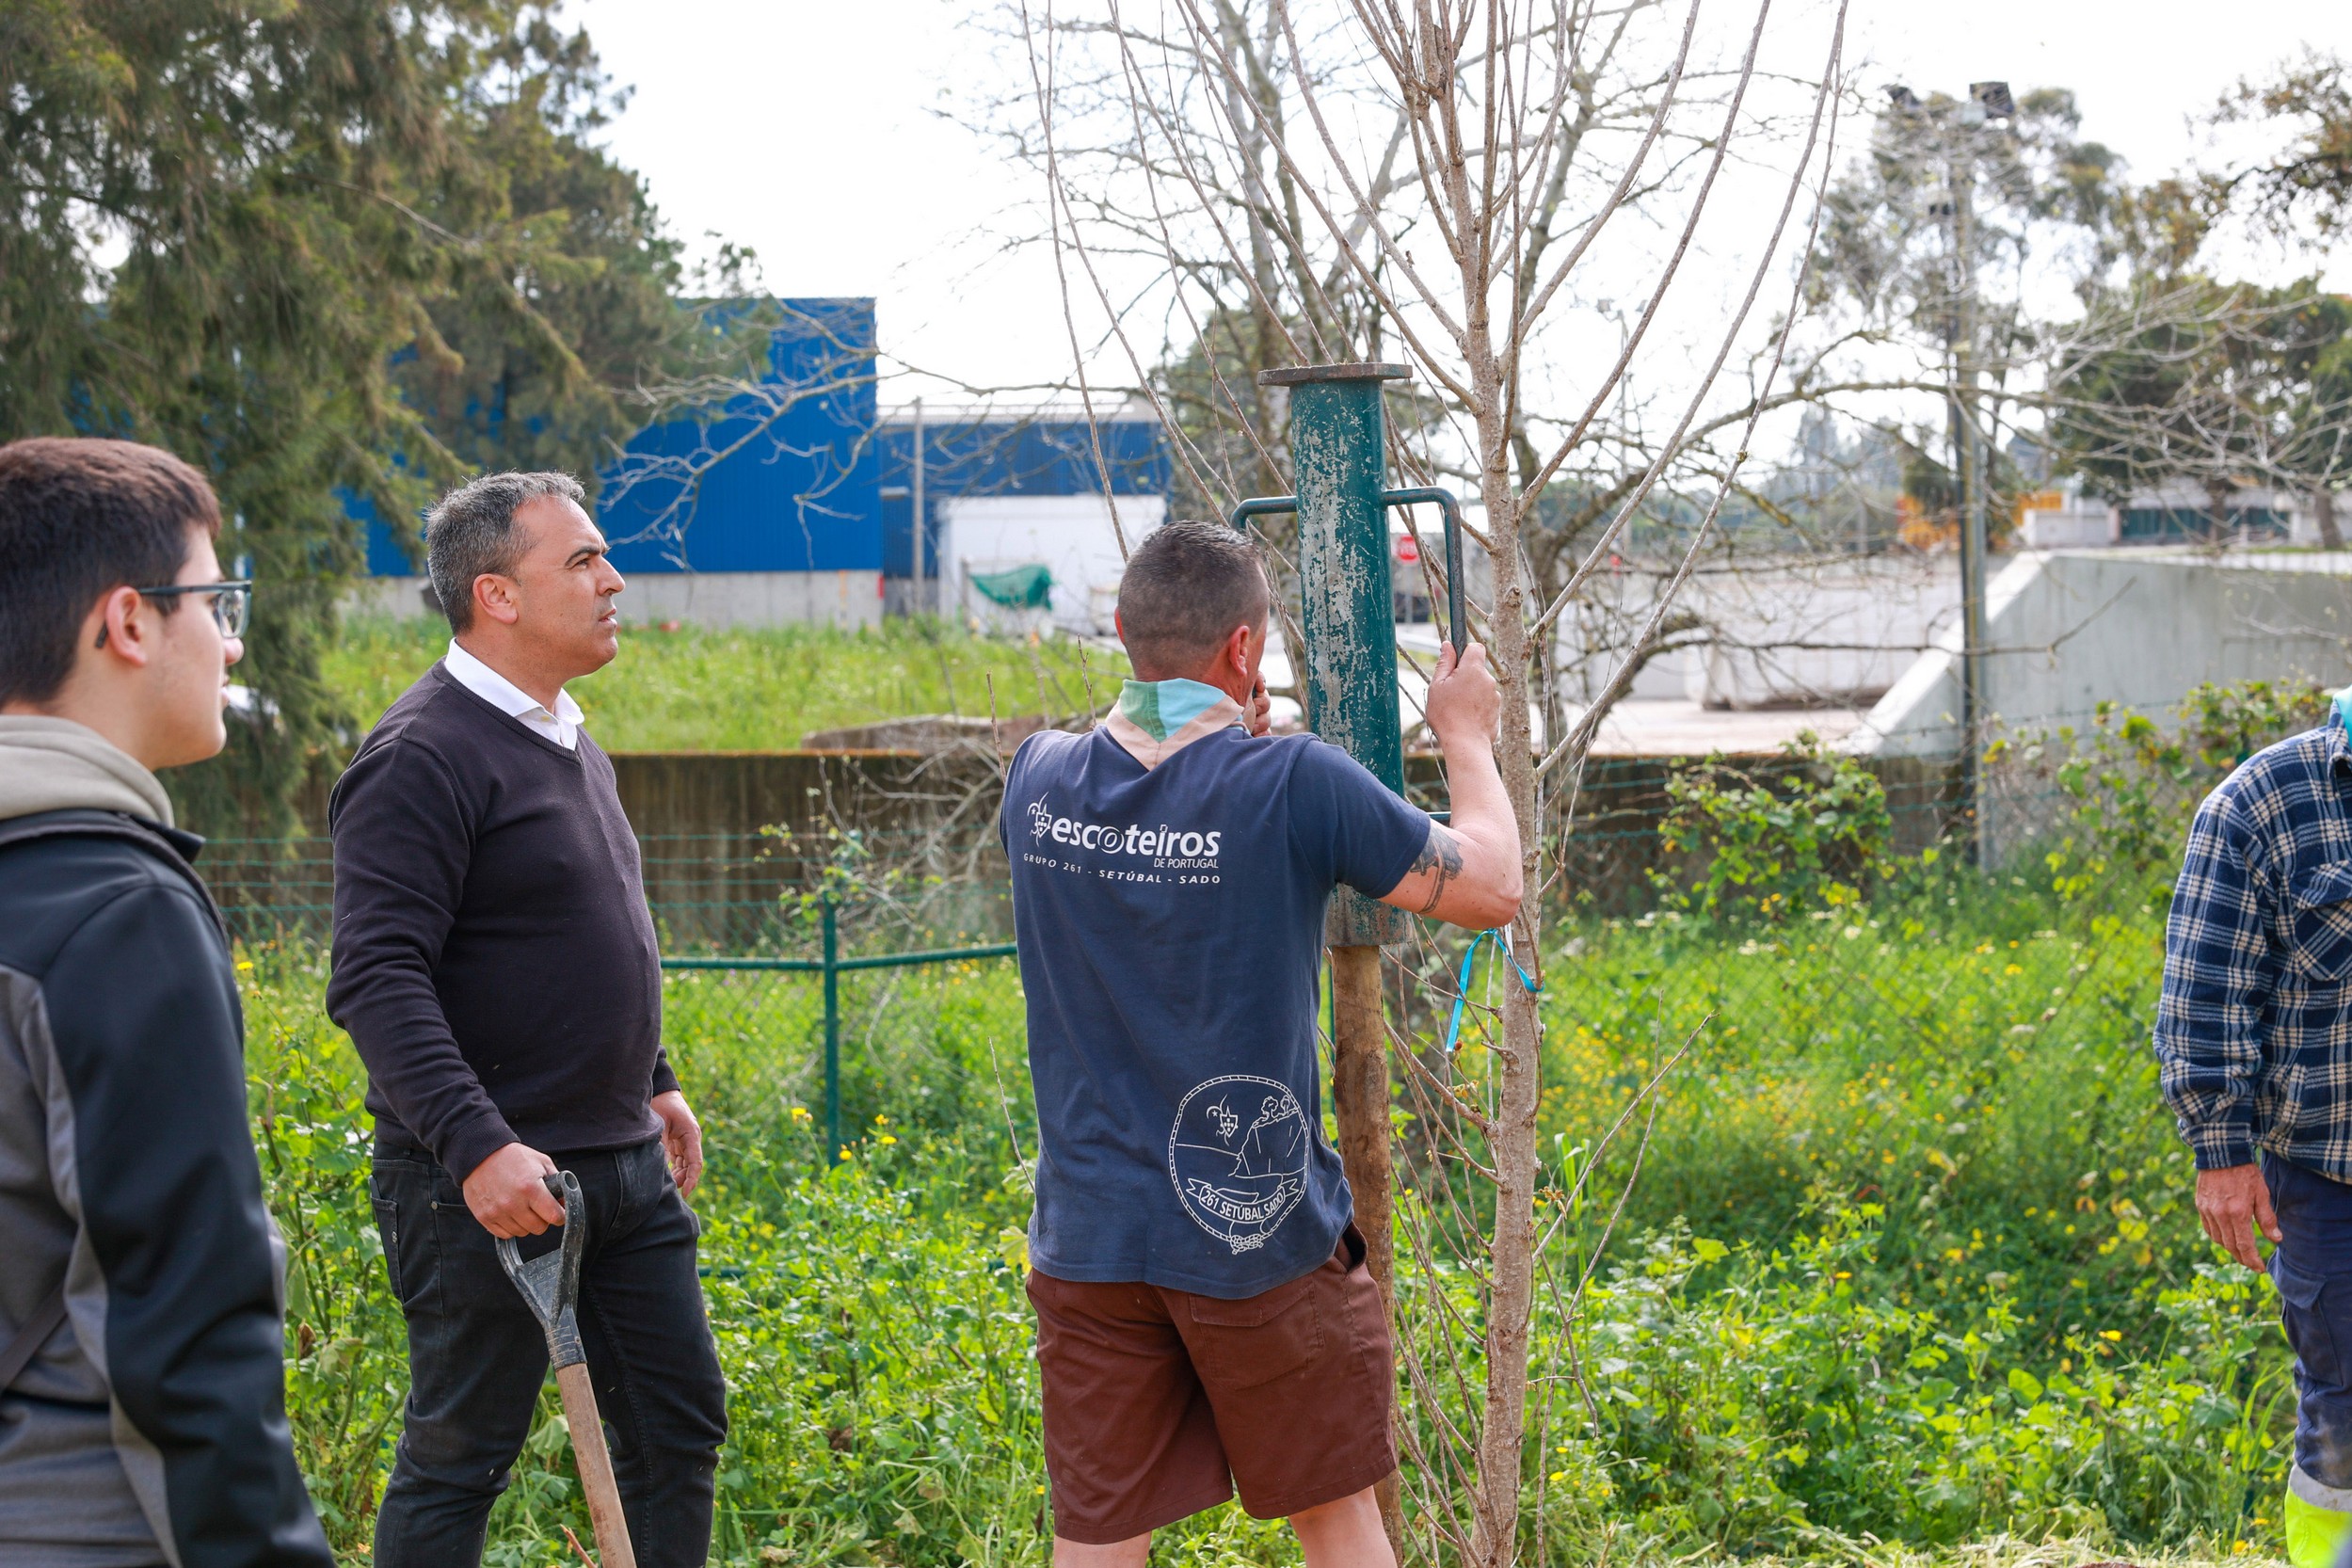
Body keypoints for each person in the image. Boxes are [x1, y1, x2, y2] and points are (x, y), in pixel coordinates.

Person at [999, 520, 1522, 1568]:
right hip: (1256, 1233)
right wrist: (1464, 733)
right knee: (1334, 1515)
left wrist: (1225, 737)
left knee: (1098, 1537)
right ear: (1244, 650)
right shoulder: (1293, 782)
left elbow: (1156, 798)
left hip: (1090, 1238)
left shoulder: (1037, 777)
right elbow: (1492, 886)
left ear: (1120, 630)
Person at [327, 472, 726, 1568]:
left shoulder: (565, 736)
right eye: (584, 560)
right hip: (489, 1185)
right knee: (463, 1456)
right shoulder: (420, 755)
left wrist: (652, 1076)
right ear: (496, 595)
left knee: (677, 1429)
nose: (614, 580)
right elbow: (375, 977)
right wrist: (476, 1146)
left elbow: (574, 930)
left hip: (623, 1164)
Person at [0, 437, 332, 1568]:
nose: (232, 642)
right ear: (130, 621)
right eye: (216, 600)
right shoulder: (117, 915)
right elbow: (186, 1332)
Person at [2155, 682, 2352, 1568]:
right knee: (2344, 1416)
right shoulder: (2261, 803)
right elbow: (2205, 993)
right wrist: (2220, 1152)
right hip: (2330, 1178)